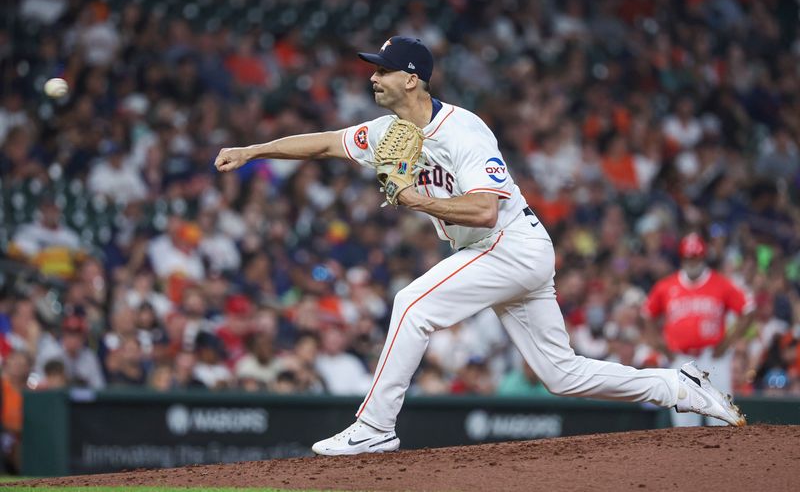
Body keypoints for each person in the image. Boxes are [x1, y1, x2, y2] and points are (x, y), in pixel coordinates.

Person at [214, 36, 745, 456]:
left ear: (412, 78)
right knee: (562, 375)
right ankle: (680, 387)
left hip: (507, 242)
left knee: (411, 305)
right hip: (504, 252)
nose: (372, 76)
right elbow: (327, 142)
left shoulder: (463, 130)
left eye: (381, 69)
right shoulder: (388, 131)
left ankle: (374, 427)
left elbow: (485, 210)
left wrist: (414, 201)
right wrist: (254, 149)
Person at [643, 232, 755, 426]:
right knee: (685, 423)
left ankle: (726, 457)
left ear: (703, 257)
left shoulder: (721, 283)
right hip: (681, 358)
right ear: (682, 258)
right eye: (688, 258)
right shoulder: (666, 285)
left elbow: (748, 310)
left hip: (713, 357)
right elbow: (647, 314)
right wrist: (660, 346)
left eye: (695, 257)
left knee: (723, 420)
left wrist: (728, 341)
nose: (692, 262)